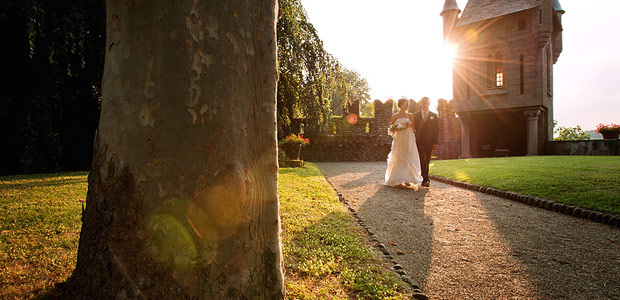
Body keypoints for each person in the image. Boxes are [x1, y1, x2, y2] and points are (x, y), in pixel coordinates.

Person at [384, 99, 423, 188]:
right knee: (399, 156)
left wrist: (409, 126)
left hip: (408, 137)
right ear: (400, 105)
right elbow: (391, 128)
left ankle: (408, 179)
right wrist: (396, 128)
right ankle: (398, 179)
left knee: (409, 155)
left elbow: (414, 127)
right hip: (399, 138)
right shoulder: (395, 116)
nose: (407, 106)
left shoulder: (410, 115)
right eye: (405, 104)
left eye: (407, 104)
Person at [413, 97, 439, 187]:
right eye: (424, 103)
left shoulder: (434, 115)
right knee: (421, 159)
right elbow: (413, 128)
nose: (425, 104)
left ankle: (424, 178)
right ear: (421, 103)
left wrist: (436, 143)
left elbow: (436, 130)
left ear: (429, 103)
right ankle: (425, 179)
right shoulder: (415, 115)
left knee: (427, 160)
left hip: (430, 141)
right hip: (419, 141)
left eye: (427, 103)